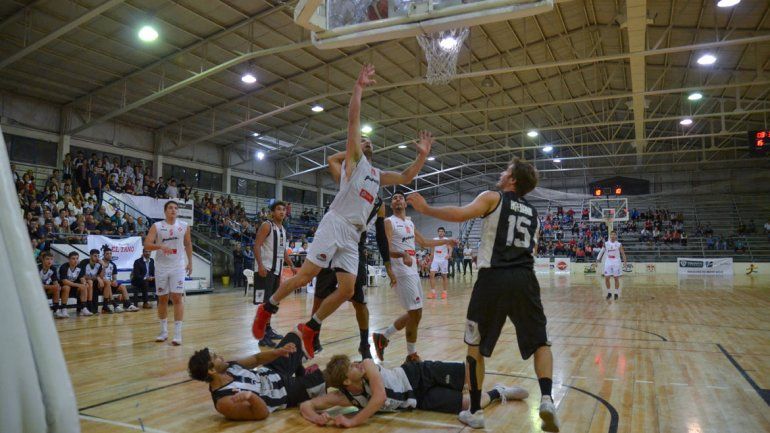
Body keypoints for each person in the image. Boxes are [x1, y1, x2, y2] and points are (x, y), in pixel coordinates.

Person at [252, 64, 431, 358]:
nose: (366, 142)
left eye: (368, 142)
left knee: (348, 289)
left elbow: (407, 177)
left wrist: (421, 155)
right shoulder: (355, 162)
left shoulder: (377, 174)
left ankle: (311, 327)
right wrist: (358, 88)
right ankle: (267, 307)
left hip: (353, 235)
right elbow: (353, 121)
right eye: (362, 142)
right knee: (307, 276)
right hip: (336, 223)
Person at [407, 157, 559, 431]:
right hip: (525, 279)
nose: (502, 174)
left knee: (475, 346)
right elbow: (532, 250)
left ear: (512, 179)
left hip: (493, 279)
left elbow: (461, 214)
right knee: (541, 343)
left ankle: (476, 411)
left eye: (506, 171)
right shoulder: (534, 214)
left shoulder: (493, 197)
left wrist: (426, 208)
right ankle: (547, 398)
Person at [310, 148, 396, 358]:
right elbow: (331, 159)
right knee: (320, 295)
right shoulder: (347, 179)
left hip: (354, 247)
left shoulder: (378, 202)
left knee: (359, 301)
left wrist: (387, 265)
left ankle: (364, 344)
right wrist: (353, 150)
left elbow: (381, 237)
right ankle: (313, 336)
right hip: (333, 239)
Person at [300, 354, 528, 428]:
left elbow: (378, 398)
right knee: (469, 405)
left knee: (470, 375)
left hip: (417, 374)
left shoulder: (367, 365)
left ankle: (482, 383)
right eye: (351, 367)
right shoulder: (343, 395)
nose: (356, 364)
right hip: (417, 399)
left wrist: (351, 421)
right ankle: (499, 392)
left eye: (353, 363)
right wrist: (317, 418)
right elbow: (306, 405)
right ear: (347, 382)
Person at [372, 193, 455, 363]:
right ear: (391, 204)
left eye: (400, 198)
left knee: (417, 313)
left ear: (405, 202)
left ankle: (384, 337)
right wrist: (402, 254)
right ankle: (410, 354)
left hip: (412, 270)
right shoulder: (389, 222)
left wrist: (447, 242)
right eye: (394, 198)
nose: (397, 200)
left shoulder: (409, 222)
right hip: (401, 271)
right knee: (414, 312)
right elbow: (384, 248)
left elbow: (424, 242)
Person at [187, 330, 325, 421]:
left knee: (297, 335)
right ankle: (304, 378)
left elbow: (257, 359)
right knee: (328, 376)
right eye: (216, 357)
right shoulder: (224, 402)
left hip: (271, 371)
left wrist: (278, 352)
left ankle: (301, 371)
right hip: (284, 391)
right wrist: (251, 397)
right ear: (211, 370)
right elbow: (262, 414)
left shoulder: (228, 367)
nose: (221, 357)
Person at [144, 201, 192, 345]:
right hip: (161, 267)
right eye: (170, 208)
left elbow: (188, 244)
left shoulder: (184, 226)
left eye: (176, 208)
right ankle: (163, 331)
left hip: (178, 266)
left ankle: (177, 334)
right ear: (165, 211)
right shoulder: (157, 226)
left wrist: (190, 262)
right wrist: (160, 246)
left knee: (177, 297)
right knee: (163, 299)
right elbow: (146, 244)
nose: (173, 210)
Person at [253, 201, 296, 347]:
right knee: (264, 302)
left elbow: (283, 252)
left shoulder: (283, 229)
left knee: (272, 302)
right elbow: (257, 245)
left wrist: (292, 266)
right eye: (278, 209)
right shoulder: (267, 225)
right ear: (272, 212)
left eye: (284, 209)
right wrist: (260, 265)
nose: (282, 212)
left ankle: (268, 329)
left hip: (277, 270)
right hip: (265, 268)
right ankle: (261, 335)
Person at [59, 251, 93, 316]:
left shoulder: (79, 267)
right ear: (69, 259)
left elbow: (81, 277)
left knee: (84, 286)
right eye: (73, 258)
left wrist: (84, 282)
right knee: (67, 287)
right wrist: (78, 285)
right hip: (63, 288)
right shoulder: (64, 267)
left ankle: (84, 308)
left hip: (74, 288)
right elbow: (64, 281)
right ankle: (63, 309)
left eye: (77, 258)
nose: (76, 260)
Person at [79, 248, 112, 314]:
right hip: (84, 281)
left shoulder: (99, 264)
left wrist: (104, 267)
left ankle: (105, 306)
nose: (97, 258)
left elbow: (101, 276)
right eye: (95, 256)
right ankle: (89, 305)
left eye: (98, 256)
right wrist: (97, 278)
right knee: (90, 282)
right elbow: (83, 276)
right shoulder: (84, 262)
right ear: (90, 256)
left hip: (94, 281)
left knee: (107, 282)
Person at [596, 232, 627, 301]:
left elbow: (623, 253)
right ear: (610, 236)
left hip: (616, 262)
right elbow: (601, 252)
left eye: (614, 235)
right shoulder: (606, 243)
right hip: (608, 261)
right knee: (607, 278)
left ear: (616, 236)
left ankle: (616, 293)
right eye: (611, 235)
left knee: (616, 278)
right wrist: (597, 259)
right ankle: (609, 292)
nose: (612, 236)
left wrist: (625, 262)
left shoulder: (619, 244)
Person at [39, 252, 68, 318]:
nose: (50, 261)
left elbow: (55, 282)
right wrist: (53, 286)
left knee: (57, 288)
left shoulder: (53, 269)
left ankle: (56, 310)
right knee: (54, 287)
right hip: (37, 289)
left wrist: (57, 286)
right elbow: (37, 285)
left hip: (47, 288)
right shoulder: (37, 268)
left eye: (51, 259)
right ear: (43, 260)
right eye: (47, 259)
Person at [428, 227, 452, 299]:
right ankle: (433, 292)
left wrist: (449, 254)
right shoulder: (434, 240)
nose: (440, 232)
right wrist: (430, 261)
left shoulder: (446, 240)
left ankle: (444, 292)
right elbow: (432, 251)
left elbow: (450, 248)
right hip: (435, 259)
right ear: (438, 232)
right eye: (439, 231)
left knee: (444, 276)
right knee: (431, 274)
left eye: (442, 231)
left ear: (444, 233)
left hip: (444, 260)